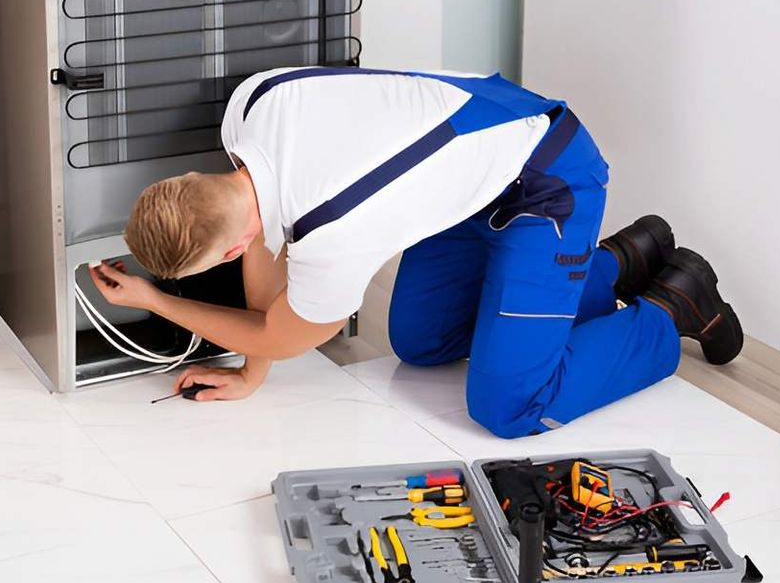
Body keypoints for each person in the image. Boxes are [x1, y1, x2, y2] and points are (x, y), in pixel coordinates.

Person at [89, 66, 742, 437]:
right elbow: (269, 279)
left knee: (507, 406)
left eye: (217, 263)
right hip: (468, 175)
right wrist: (250, 373)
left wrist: (155, 298)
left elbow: (276, 328)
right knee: (423, 342)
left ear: (228, 243)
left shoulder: (332, 231)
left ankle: (672, 301)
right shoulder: (250, 108)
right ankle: (624, 257)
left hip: (548, 176)